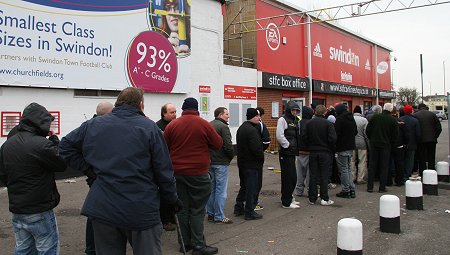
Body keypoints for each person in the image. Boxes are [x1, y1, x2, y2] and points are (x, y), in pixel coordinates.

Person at [59, 87, 182, 255]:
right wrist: (172, 199)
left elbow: (65, 146)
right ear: (140, 105)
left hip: (104, 208)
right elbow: (164, 171)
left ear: (118, 103)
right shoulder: (150, 128)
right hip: (140, 208)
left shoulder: (94, 124)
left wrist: (89, 170)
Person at [0, 103, 67, 254]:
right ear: (40, 122)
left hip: (17, 208)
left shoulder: (8, 144)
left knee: (23, 249)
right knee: (47, 249)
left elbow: (3, 174)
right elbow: (61, 164)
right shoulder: (42, 144)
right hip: (39, 208)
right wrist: (55, 141)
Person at [164, 97, 222, 255]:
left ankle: (185, 244)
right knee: (197, 209)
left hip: (177, 173)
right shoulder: (204, 124)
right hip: (198, 173)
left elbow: (164, 147)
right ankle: (198, 246)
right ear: (197, 109)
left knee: (182, 209)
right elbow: (218, 144)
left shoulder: (172, 125)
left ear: (183, 109)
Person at [84, 101, 114, 255]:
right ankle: (93, 248)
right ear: (108, 113)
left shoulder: (88, 125)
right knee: (97, 214)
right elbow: (68, 148)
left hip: (96, 175)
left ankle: (92, 248)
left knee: (95, 212)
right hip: (99, 177)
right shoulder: (92, 126)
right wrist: (88, 170)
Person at [234, 108, 265, 220]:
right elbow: (257, 149)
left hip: (242, 163)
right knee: (251, 188)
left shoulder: (242, 128)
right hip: (252, 165)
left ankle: (238, 207)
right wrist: (261, 158)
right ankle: (249, 211)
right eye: (257, 116)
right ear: (252, 116)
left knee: (244, 187)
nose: (259, 118)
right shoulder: (252, 130)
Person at [303, 105, 336, 206]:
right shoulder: (328, 124)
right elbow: (333, 139)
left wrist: (309, 146)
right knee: (324, 175)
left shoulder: (309, 123)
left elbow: (304, 137)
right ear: (325, 112)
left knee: (313, 175)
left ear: (315, 112)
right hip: (325, 152)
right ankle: (324, 198)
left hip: (313, 152)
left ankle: (312, 198)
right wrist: (330, 148)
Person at [207, 107, 234, 224]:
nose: (228, 116)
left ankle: (211, 214)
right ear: (220, 115)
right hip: (221, 162)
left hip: (209, 162)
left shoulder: (208, 125)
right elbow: (228, 145)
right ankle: (219, 215)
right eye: (226, 114)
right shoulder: (223, 127)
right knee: (221, 190)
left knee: (211, 189)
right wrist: (230, 157)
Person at [366, 103, 398, 193]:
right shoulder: (392, 120)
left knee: (372, 166)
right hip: (386, 145)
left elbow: (368, 130)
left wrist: (371, 138)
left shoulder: (375, 117)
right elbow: (395, 135)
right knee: (384, 166)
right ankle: (382, 187)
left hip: (374, 144)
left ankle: (370, 187)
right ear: (391, 110)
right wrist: (391, 143)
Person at [155, 103, 178, 232]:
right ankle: (165, 220)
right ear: (164, 113)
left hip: (175, 163)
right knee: (164, 193)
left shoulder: (176, 125)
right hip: (164, 164)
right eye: (171, 112)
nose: (175, 114)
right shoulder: (158, 127)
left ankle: (173, 216)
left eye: (175, 112)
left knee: (174, 192)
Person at [276, 101, 301, 209]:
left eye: (296, 110)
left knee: (293, 177)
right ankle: (286, 202)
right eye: (293, 110)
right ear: (288, 110)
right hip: (286, 153)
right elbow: (280, 135)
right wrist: (288, 145)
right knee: (287, 177)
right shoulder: (282, 120)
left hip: (292, 152)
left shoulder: (295, 120)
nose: (295, 112)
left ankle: (289, 197)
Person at [334, 104, 358, 199]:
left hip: (342, 147)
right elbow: (355, 131)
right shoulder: (351, 118)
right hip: (350, 146)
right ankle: (351, 188)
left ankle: (346, 189)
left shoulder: (340, 119)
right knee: (348, 168)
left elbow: (335, 133)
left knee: (343, 169)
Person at [414, 103, 442, 174]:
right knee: (431, 156)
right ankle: (431, 171)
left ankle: (422, 172)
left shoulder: (416, 115)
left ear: (418, 107)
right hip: (432, 140)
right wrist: (435, 136)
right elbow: (439, 128)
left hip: (421, 140)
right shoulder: (432, 115)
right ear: (425, 107)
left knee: (421, 157)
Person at [294, 106, 314, 197]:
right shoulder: (312, 123)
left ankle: (299, 190)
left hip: (299, 150)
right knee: (310, 173)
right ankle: (310, 190)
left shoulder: (298, 123)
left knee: (300, 172)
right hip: (310, 151)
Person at [254, 106, 271, 211]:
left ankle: (244, 202)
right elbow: (266, 141)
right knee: (256, 181)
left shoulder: (245, 125)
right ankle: (254, 202)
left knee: (247, 181)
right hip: (257, 158)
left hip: (246, 159)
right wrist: (261, 150)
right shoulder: (261, 125)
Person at [388, 107, 409, 187]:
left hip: (389, 145)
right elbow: (406, 134)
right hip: (399, 146)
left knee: (388, 163)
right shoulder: (401, 121)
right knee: (399, 164)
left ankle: (388, 181)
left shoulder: (388, 121)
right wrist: (406, 143)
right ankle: (399, 181)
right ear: (396, 112)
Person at [399, 104, 421, 179]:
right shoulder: (415, 121)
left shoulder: (400, 119)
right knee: (410, 160)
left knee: (402, 159)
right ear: (411, 111)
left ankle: (401, 174)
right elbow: (418, 134)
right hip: (412, 143)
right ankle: (407, 174)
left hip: (401, 143)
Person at [351, 105, 369, 185]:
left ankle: (352, 177)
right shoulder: (364, 120)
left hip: (351, 143)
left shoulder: (350, 119)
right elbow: (366, 133)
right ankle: (360, 178)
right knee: (362, 161)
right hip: (362, 144)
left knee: (352, 161)